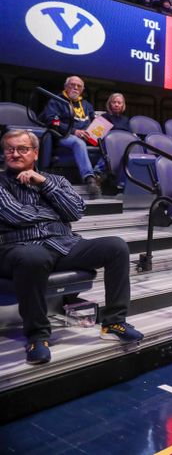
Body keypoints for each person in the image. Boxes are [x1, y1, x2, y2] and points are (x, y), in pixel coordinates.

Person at [0, 130, 143, 365]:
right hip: (18, 246)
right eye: (10, 149)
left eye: (22, 149)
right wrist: (53, 213)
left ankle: (114, 322)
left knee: (116, 246)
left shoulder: (55, 181)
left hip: (64, 245)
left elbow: (75, 211)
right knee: (33, 256)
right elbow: (13, 215)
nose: (15, 154)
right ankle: (37, 337)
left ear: (35, 153)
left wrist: (44, 183)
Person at [40, 76, 101, 197]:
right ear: (66, 87)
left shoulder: (87, 105)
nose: (75, 88)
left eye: (79, 86)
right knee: (78, 143)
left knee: (106, 142)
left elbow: (93, 121)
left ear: (82, 89)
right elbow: (52, 121)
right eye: (72, 85)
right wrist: (74, 131)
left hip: (86, 136)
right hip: (64, 135)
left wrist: (96, 128)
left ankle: (101, 173)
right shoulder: (56, 101)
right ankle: (90, 178)